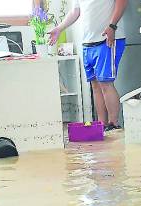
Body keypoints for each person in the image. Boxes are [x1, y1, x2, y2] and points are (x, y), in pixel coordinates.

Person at [48, 0, 128, 132]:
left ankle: (114, 124)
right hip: (88, 41)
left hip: (107, 38)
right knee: (95, 85)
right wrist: (59, 28)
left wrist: (112, 26)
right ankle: (101, 125)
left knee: (106, 83)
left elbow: (122, 2)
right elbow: (75, 11)